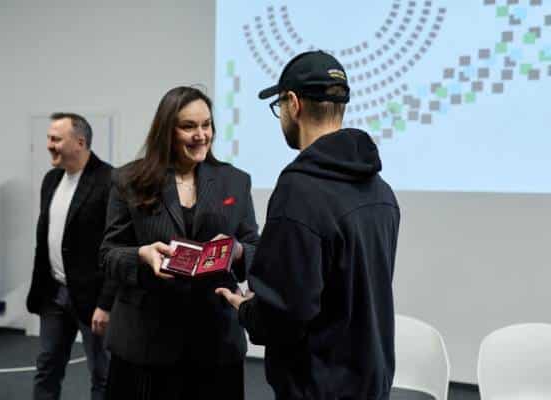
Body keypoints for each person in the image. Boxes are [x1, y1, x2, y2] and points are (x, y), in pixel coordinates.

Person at [216, 50, 401, 400]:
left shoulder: (299, 191)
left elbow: (286, 313)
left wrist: (247, 310)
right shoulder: (382, 192)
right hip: (370, 384)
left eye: (280, 107)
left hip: (318, 387)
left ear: (294, 103)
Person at [99, 86, 259, 400]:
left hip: (215, 341)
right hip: (145, 341)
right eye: (189, 126)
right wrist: (142, 254)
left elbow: (254, 247)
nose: (201, 135)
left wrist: (238, 250)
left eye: (206, 125)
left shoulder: (235, 181)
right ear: (166, 131)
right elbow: (108, 255)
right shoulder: (129, 180)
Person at [26, 112, 116, 400]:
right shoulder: (51, 179)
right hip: (54, 294)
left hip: (93, 300)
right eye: (48, 138)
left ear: (80, 142)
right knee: (46, 368)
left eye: (56, 139)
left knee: (103, 375)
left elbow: (117, 248)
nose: (49, 145)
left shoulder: (110, 181)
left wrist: (106, 304)